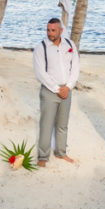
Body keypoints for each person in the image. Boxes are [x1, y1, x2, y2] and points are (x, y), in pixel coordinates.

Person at [32, 18, 79, 167]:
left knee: (62, 124)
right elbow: (40, 73)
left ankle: (61, 153)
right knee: (46, 124)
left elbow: (75, 67)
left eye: (53, 30)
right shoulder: (41, 47)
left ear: (60, 30)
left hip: (67, 90)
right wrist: (57, 89)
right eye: (48, 30)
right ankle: (43, 157)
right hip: (50, 91)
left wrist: (68, 87)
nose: (50, 33)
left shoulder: (70, 45)